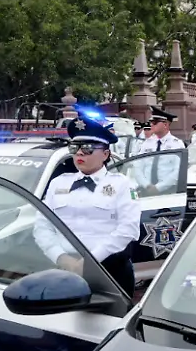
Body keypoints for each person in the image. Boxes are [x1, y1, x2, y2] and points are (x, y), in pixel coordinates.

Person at [34, 115, 141, 297]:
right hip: (65, 267)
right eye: (74, 148)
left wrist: (89, 261)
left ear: (105, 154)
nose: (80, 153)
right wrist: (60, 257)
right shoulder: (58, 183)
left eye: (88, 148)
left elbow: (128, 230)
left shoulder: (122, 184)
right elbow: (41, 226)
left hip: (109, 270)